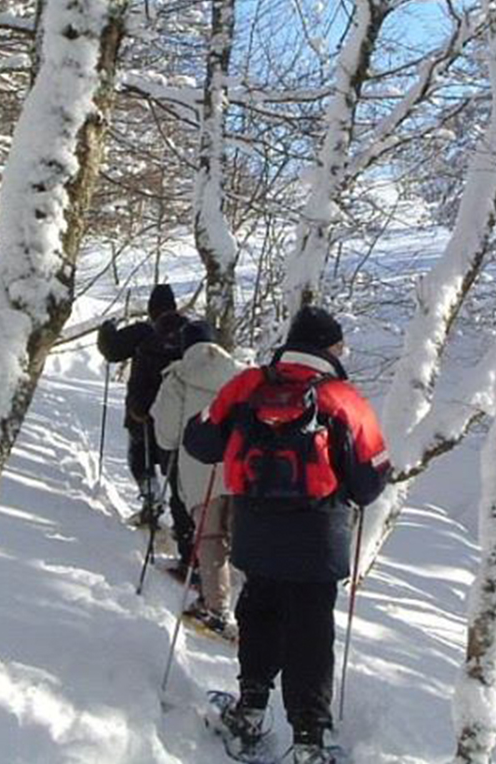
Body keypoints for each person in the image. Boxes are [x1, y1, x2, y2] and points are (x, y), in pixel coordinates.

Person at [184, 306, 390, 764]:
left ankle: (250, 710)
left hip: (255, 524)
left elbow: (199, 442)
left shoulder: (249, 385)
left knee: (260, 609)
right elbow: (369, 484)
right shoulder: (343, 397)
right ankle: (308, 740)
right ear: (329, 348)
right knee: (311, 629)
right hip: (319, 530)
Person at [150, 320, 244, 637]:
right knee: (244, 538)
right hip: (242, 466)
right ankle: (260, 614)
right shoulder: (243, 374)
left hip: (199, 467)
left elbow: (166, 434)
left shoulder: (178, 376)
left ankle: (215, 608)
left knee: (210, 538)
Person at [97, 284, 195, 570]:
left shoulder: (143, 332)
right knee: (176, 472)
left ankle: (151, 501)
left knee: (139, 459)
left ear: (153, 309)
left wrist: (107, 328)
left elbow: (111, 350)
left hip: (142, 411)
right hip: (178, 415)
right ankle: (183, 526)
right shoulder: (190, 332)